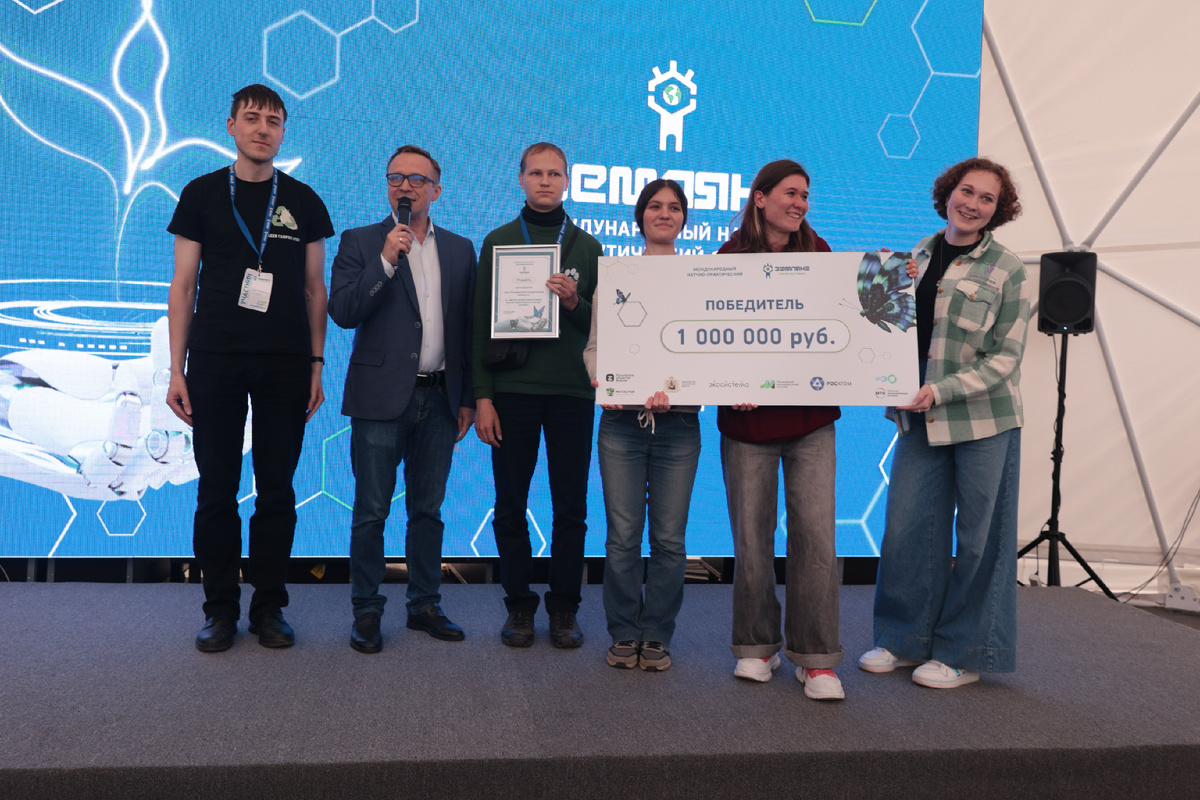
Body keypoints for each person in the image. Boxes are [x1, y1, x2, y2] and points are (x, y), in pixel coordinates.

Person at [166, 84, 333, 652]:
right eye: (253, 118)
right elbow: (183, 286)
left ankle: (268, 607)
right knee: (216, 488)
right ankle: (218, 609)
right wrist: (176, 370)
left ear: (283, 133)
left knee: (277, 489)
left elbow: (315, 290)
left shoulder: (304, 201)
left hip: (286, 363)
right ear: (232, 126)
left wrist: (316, 364)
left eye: (274, 121)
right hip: (214, 360)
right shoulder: (201, 194)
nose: (264, 129)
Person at [860, 157, 1028, 689]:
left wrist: (941, 390)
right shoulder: (914, 257)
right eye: (967, 191)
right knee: (907, 530)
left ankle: (964, 652)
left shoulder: (1008, 268)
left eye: (987, 199)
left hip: (984, 420)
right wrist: (879, 285)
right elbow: (888, 330)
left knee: (979, 540)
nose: (972, 204)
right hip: (921, 418)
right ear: (948, 192)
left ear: (998, 210)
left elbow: (1006, 358)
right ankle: (903, 639)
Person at [328, 145, 477, 654]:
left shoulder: (460, 249)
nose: (405, 187)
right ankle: (367, 610)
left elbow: (466, 330)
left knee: (428, 511)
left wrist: (467, 397)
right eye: (396, 178)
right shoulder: (361, 241)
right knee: (371, 511)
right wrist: (386, 261)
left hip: (440, 398)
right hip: (379, 399)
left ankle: (424, 604)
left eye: (417, 179)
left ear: (437, 190)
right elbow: (344, 311)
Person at [717, 160, 844, 700]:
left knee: (816, 540)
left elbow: (851, 319)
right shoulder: (727, 260)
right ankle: (756, 646)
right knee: (752, 541)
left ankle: (816, 660)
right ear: (760, 198)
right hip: (747, 424)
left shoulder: (822, 255)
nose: (800, 204)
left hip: (810, 421)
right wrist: (729, 383)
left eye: (806, 196)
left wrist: (891, 277)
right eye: (791, 193)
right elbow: (709, 340)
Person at [472, 142, 601, 649]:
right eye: (536, 173)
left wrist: (574, 302)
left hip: (572, 393)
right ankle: (519, 607)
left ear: (567, 181)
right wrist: (483, 397)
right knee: (510, 505)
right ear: (521, 179)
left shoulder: (588, 246)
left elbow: (602, 326)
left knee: (571, 508)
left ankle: (565, 608)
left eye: (554, 174)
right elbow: (479, 324)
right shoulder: (499, 241)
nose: (545, 181)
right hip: (512, 392)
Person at [583, 179, 700, 672]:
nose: (664, 213)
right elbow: (594, 347)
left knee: (670, 540)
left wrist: (688, 386)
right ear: (640, 216)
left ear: (684, 219)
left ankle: (656, 634)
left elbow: (711, 349)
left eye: (674, 207)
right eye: (655, 206)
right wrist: (603, 381)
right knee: (622, 538)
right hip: (621, 425)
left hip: (681, 425)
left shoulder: (700, 279)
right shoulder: (615, 276)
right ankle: (624, 632)